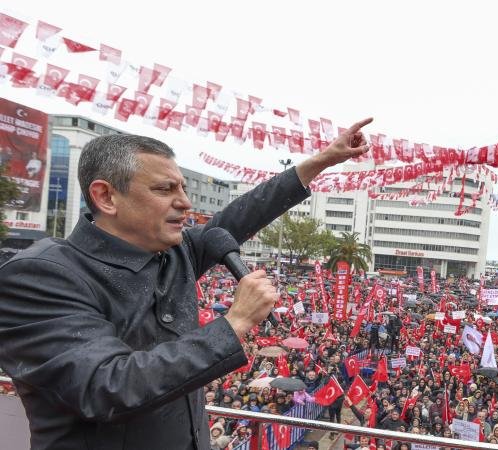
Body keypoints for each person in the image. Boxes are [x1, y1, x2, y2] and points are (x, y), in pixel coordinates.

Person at [0, 118, 373, 450]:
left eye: (182, 187)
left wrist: (321, 161)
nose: (186, 203)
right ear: (106, 196)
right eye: (165, 190)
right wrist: (234, 323)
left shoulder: (173, 252)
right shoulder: (41, 275)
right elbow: (106, 387)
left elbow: (245, 213)